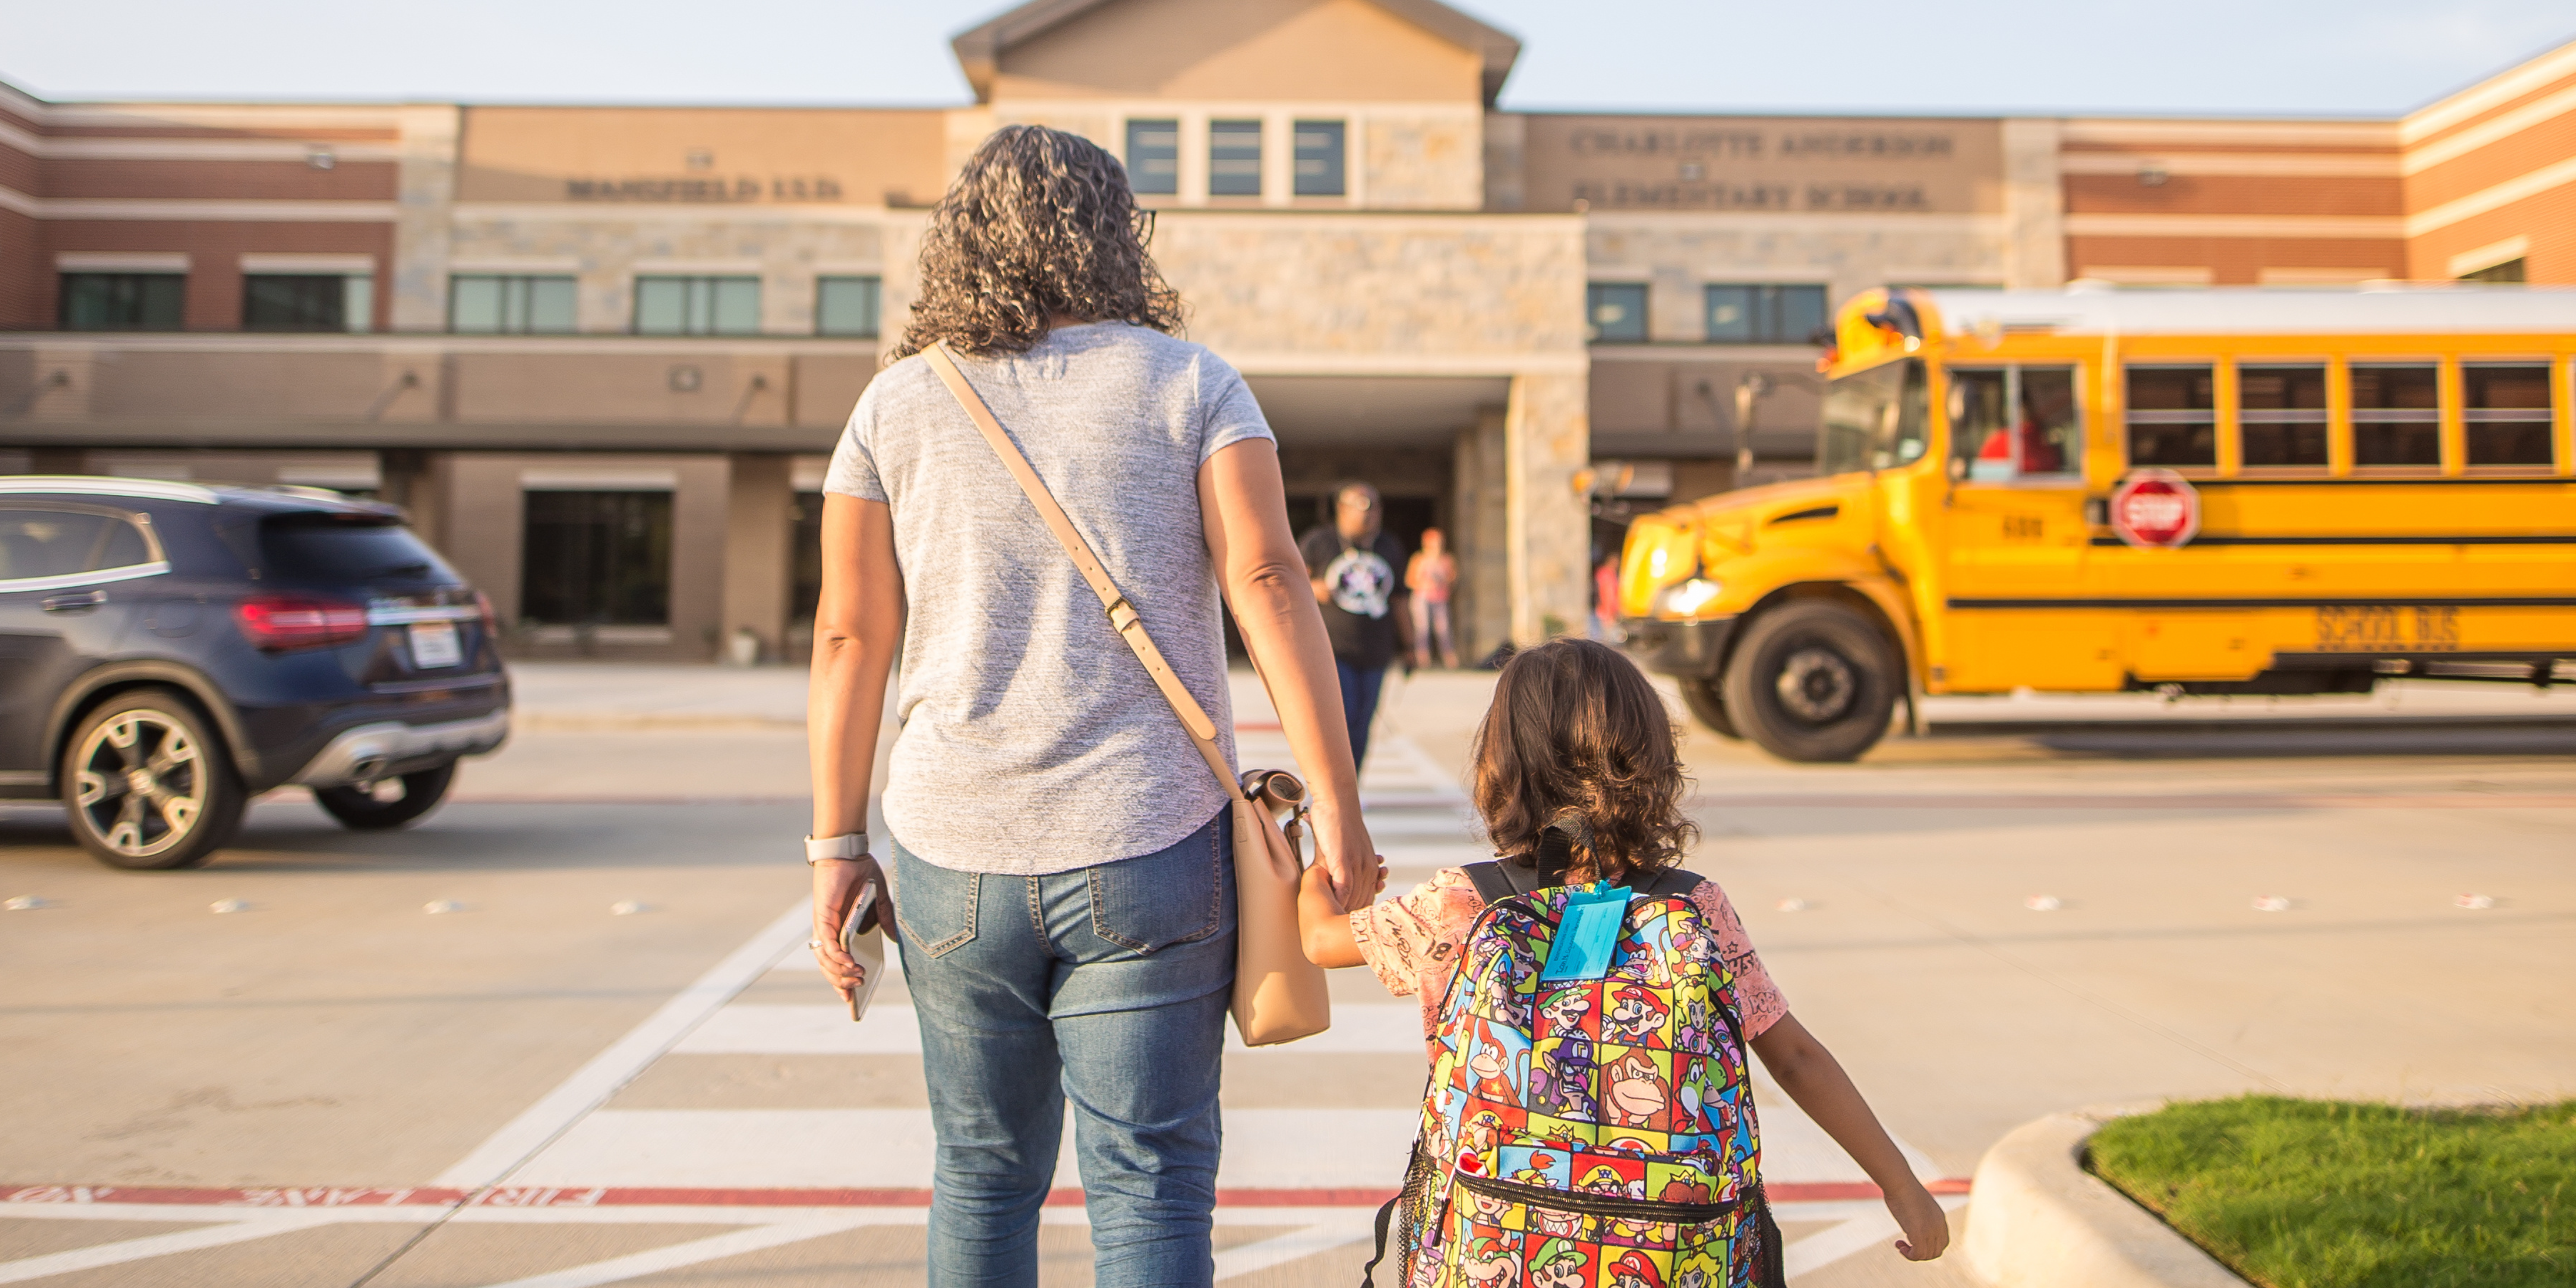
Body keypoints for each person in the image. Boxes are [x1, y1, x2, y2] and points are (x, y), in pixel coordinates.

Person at [804, 124, 1379, 1288]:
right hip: (1150, 845)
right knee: (1152, 1182)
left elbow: (849, 635)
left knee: (979, 1169)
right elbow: (1268, 584)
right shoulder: (1195, 383)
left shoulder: (896, 404)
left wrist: (835, 847)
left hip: (948, 851)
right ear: (1119, 235)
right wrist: (1343, 815)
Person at [1294, 639, 1950, 1266]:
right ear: (1653, 760)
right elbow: (1797, 1058)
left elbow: (1321, 941)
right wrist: (1901, 1186)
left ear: (1503, 764)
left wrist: (1312, 882)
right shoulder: (1697, 910)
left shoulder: (1466, 904)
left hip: (1497, 1242)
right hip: (1670, 1252)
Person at [1301, 482, 1408, 767]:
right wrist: (1313, 588)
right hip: (1333, 649)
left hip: (1376, 652)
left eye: (1374, 506)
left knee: (1362, 726)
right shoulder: (1320, 542)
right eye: (1361, 505)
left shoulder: (1389, 546)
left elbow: (1400, 600)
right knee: (1341, 720)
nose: (1369, 513)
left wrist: (1411, 646)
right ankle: (1332, 788)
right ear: (1342, 509)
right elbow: (1290, 582)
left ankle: (1352, 788)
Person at [1405, 526, 1460, 670]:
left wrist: (1443, 580)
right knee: (1423, 629)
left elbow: (1454, 580)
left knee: (1444, 629)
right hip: (1423, 598)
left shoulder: (1447, 560)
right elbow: (1409, 580)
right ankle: (1423, 661)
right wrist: (1425, 583)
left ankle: (1450, 660)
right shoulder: (1419, 560)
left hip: (1440, 599)